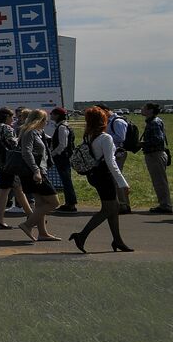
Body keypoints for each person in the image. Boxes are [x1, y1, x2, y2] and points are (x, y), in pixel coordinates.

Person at [70, 107, 133, 253]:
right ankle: (82, 235)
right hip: (104, 176)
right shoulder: (105, 137)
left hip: (95, 175)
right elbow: (111, 163)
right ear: (103, 120)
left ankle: (118, 240)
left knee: (114, 207)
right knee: (108, 209)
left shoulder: (89, 135)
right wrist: (123, 183)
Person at [14, 109, 60, 241]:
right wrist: (36, 170)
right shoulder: (30, 132)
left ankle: (42, 233)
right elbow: (26, 152)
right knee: (53, 202)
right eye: (45, 120)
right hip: (34, 173)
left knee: (40, 203)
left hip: (37, 172)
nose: (47, 123)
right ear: (39, 120)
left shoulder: (37, 132)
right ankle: (27, 225)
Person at [0, 107, 31, 229]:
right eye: (12, 117)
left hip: (0, 163)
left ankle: (31, 216)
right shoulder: (6, 128)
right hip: (8, 163)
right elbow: (14, 143)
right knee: (5, 190)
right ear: (7, 117)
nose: (13, 120)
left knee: (18, 189)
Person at [141, 103, 171, 214]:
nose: (142, 109)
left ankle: (165, 205)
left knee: (159, 181)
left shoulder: (153, 123)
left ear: (150, 110)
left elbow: (157, 139)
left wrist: (142, 144)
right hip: (156, 154)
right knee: (159, 181)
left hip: (155, 155)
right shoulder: (155, 121)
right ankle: (164, 204)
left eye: (144, 108)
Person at [48, 108, 78, 212]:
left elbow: (62, 145)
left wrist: (52, 154)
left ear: (57, 115)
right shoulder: (64, 126)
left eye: (52, 113)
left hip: (63, 157)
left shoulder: (62, 127)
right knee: (65, 180)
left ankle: (71, 203)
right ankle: (69, 202)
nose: (50, 115)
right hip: (64, 157)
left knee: (66, 181)